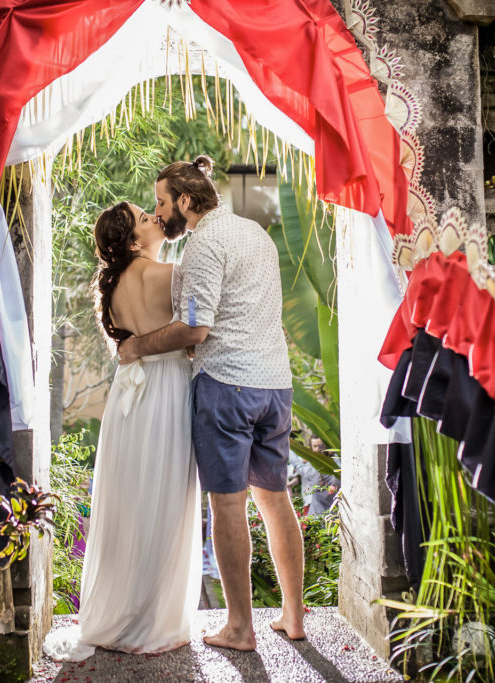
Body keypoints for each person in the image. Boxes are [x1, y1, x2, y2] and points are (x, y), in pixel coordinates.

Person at [119, 155, 306, 651]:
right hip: (275, 385)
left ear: (185, 201)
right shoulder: (254, 233)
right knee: (275, 500)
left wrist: (136, 346)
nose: (159, 214)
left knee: (228, 505)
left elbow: (195, 329)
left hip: (227, 387)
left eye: (162, 203)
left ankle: (240, 628)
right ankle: (293, 616)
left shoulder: (203, 245)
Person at [43, 201, 201, 660]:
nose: (154, 217)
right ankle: (154, 620)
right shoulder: (163, 275)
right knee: (165, 497)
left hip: (128, 397)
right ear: (133, 241)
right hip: (165, 390)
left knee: (130, 499)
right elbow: (198, 318)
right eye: (143, 217)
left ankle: (124, 610)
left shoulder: (113, 288)